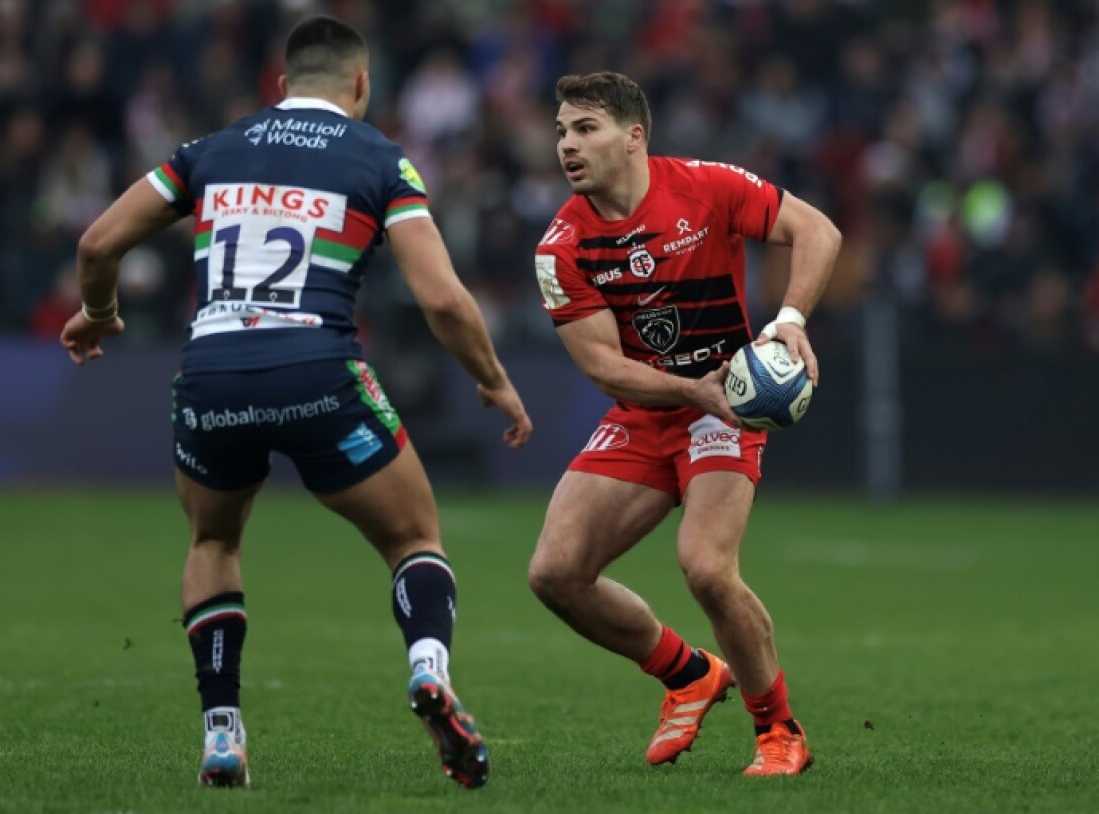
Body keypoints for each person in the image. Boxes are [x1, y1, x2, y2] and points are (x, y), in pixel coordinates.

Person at [60, 15, 531, 791]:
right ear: (361, 85)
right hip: (318, 371)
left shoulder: (209, 152)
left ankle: (221, 735)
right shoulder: (382, 159)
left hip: (211, 373)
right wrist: (493, 378)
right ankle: (428, 669)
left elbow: (96, 246)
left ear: (281, 86)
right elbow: (443, 299)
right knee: (414, 535)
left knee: (213, 544)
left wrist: (101, 312)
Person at [529, 72, 840, 777]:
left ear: (634, 137)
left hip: (726, 407)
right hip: (654, 409)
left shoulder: (706, 186)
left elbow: (817, 230)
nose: (567, 145)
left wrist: (788, 320)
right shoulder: (560, 248)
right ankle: (688, 673)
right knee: (554, 573)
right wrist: (687, 391)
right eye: (560, 131)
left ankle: (779, 732)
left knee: (705, 567)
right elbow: (604, 367)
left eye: (585, 128)